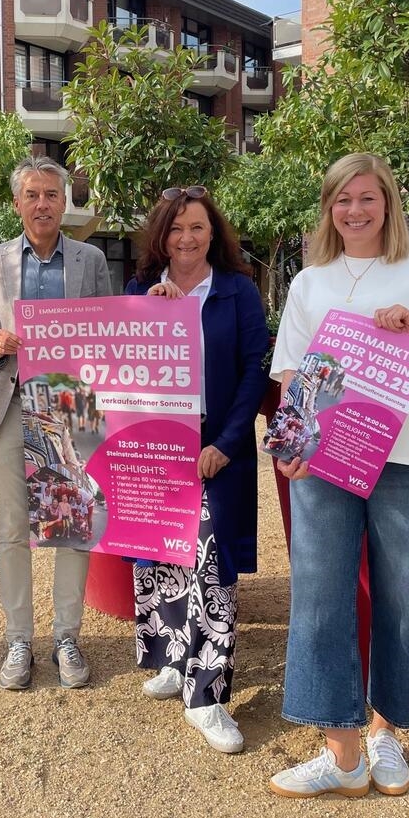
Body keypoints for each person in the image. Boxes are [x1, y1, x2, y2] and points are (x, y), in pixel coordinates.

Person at [267, 154, 409, 798]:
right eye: (343, 200)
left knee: (401, 603)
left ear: (388, 203)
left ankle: (384, 733)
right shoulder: (308, 283)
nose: (356, 212)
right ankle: (341, 753)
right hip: (326, 461)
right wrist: (291, 441)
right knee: (319, 597)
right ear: (329, 208)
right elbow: (292, 374)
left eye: (367, 198)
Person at [126, 185, 269, 754]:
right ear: (161, 236)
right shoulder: (140, 289)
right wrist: (147, 315)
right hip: (156, 445)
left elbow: (255, 372)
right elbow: (121, 370)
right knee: (162, 553)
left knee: (210, 566)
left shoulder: (238, 292)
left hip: (216, 446)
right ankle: (171, 659)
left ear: (214, 234)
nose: (186, 239)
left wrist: (230, 443)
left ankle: (206, 696)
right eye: (176, 229)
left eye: (198, 229)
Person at [0, 154, 113, 691]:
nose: (43, 204)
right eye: (32, 194)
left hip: (74, 407)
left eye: (52, 194)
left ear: (64, 201)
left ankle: (67, 637)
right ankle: (19, 640)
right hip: (10, 404)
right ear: (17, 203)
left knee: (74, 520)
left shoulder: (91, 259)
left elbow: (111, 327)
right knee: (12, 529)